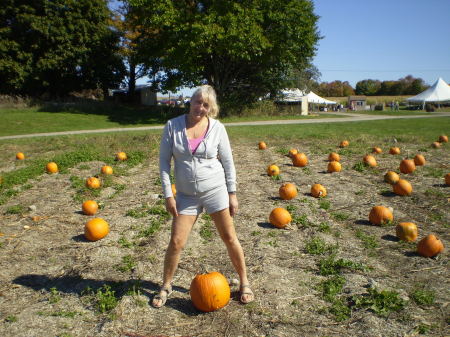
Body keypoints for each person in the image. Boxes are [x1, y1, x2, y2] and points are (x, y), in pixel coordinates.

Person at [152, 85, 254, 308]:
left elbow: (228, 163)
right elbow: (163, 163)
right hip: (186, 195)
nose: (200, 107)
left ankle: (244, 282)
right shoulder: (173, 126)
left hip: (215, 191)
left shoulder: (218, 128)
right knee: (176, 242)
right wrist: (168, 194)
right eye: (198, 101)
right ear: (191, 101)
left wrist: (232, 193)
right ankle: (166, 284)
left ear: (211, 108)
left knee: (229, 237)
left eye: (206, 104)